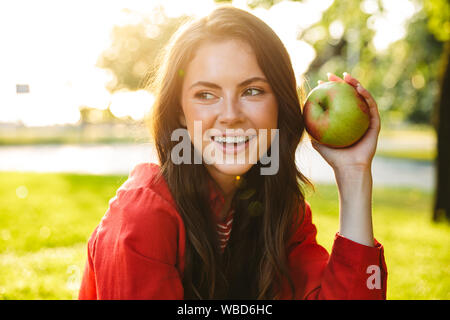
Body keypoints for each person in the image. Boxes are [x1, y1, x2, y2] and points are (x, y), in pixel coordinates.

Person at [78, 6, 387, 300]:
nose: (230, 115)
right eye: (206, 94)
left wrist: (354, 175)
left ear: (281, 104)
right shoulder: (142, 218)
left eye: (252, 90)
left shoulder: (281, 211)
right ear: (180, 113)